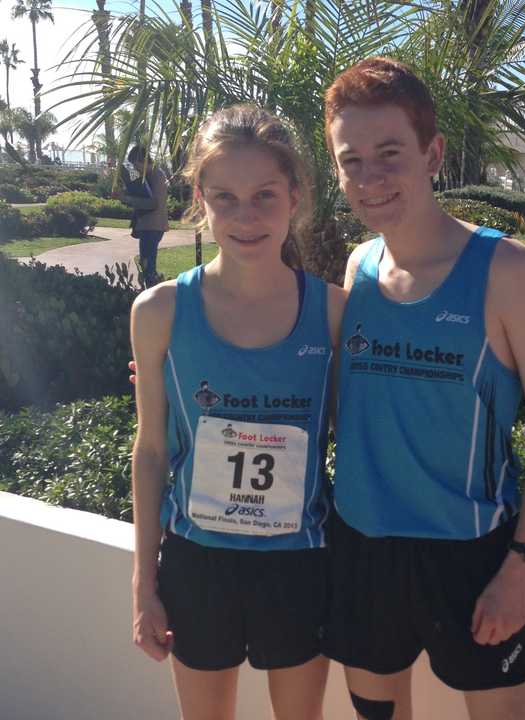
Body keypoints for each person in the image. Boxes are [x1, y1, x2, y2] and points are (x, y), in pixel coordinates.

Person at [321, 58, 525, 720]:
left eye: (390, 153)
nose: (370, 178)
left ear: (432, 153)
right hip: (363, 546)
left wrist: (518, 568)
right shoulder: (360, 266)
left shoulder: (506, 270)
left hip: (469, 557)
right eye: (352, 161)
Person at [130, 104, 345, 720]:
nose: (245, 217)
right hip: (198, 566)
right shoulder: (158, 311)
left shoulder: (333, 313)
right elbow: (151, 452)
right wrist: (143, 584)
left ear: (295, 196)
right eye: (225, 197)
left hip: (300, 564)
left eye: (264, 196)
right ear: (200, 198)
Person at [118, 145, 170, 286]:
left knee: (148, 267)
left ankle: (154, 296)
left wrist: (125, 198)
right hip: (150, 225)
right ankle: (153, 292)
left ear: (141, 161)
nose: (134, 170)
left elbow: (152, 204)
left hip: (152, 226)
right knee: (146, 264)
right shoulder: (150, 175)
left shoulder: (156, 175)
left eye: (135, 165)